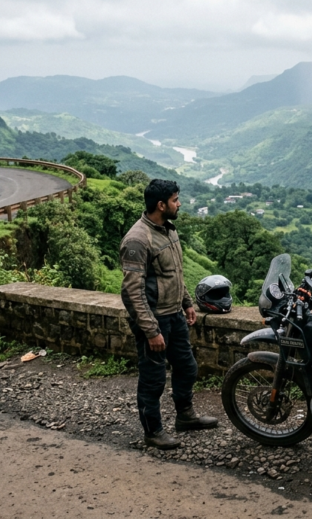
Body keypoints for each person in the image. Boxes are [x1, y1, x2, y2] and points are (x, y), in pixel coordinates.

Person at [120, 179, 218, 449]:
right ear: (161, 205)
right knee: (153, 379)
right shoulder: (138, 240)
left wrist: (186, 302)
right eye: (175, 200)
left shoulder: (169, 230)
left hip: (174, 314)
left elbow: (175, 272)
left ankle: (185, 417)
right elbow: (132, 291)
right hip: (154, 319)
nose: (180, 204)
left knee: (187, 367)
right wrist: (151, 330)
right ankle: (152, 432)